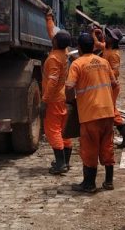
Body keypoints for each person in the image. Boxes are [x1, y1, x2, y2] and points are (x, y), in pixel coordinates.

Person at [65, 33, 117, 193]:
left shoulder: (77, 64)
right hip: (108, 111)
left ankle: (89, 184)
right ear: (93, 47)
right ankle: (108, 181)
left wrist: (71, 100)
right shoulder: (103, 62)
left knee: (89, 149)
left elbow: (69, 86)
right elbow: (114, 83)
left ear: (79, 48)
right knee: (107, 146)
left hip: (90, 114)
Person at [43, 9, 73, 174]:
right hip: (62, 97)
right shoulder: (64, 53)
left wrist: (45, 100)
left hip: (54, 99)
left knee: (53, 130)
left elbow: (52, 82)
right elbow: (53, 32)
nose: (52, 38)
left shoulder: (54, 58)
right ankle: (66, 162)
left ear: (55, 42)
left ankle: (60, 164)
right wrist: (49, 18)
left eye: (54, 39)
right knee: (63, 129)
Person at [93, 27, 125, 148]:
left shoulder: (114, 54)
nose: (106, 37)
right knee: (111, 109)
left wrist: (102, 71)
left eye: (109, 36)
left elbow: (115, 72)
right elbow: (97, 43)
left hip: (112, 86)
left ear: (114, 40)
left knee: (111, 110)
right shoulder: (106, 48)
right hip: (107, 85)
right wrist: (94, 33)